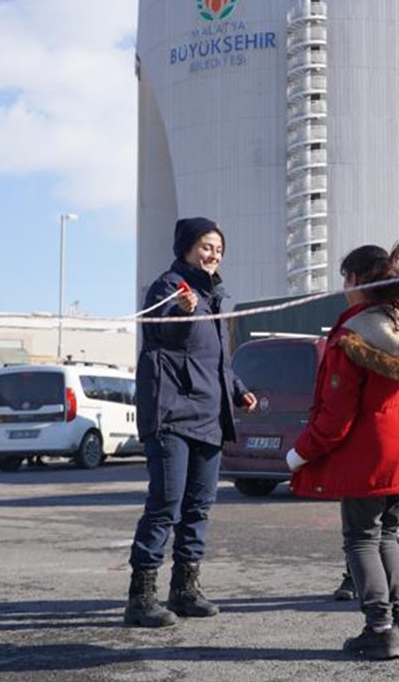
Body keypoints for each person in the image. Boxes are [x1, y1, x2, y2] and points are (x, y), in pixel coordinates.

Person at [285, 241, 399, 660]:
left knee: (362, 539)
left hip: (368, 458)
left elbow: (335, 419)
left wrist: (297, 455)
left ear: (358, 281)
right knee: (391, 534)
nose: (344, 287)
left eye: (346, 278)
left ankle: (379, 628)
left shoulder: (350, 337)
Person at [124, 217, 256, 628]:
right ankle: (140, 597)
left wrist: (237, 389)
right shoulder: (169, 288)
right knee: (166, 505)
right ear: (185, 248)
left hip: (209, 417)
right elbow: (163, 335)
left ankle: (185, 589)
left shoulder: (214, 297)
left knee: (199, 506)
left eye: (218, 247)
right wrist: (180, 311)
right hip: (172, 416)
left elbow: (215, 360)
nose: (213, 253)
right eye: (205, 246)